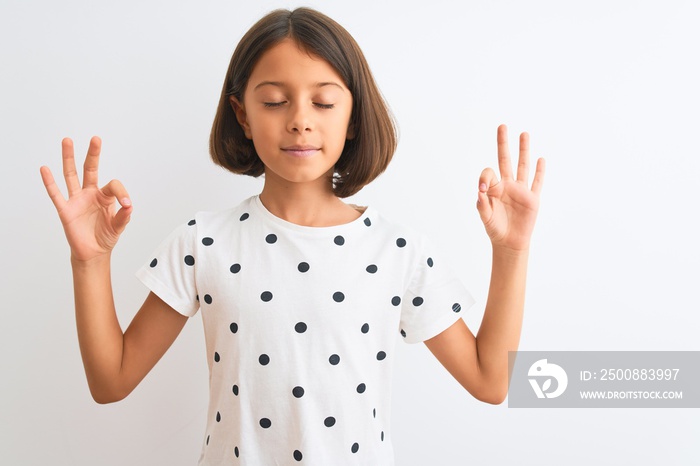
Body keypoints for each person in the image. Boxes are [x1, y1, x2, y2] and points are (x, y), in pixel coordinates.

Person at [39, 7, 545, 466]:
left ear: (352, 117)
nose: (300, 120)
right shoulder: (203, 242)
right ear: (243, 115)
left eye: (323, 102)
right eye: (276, 101)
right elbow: (111, 381)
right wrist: (90, 262)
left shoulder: (397, 251)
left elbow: (490, 381)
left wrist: (512, 251)